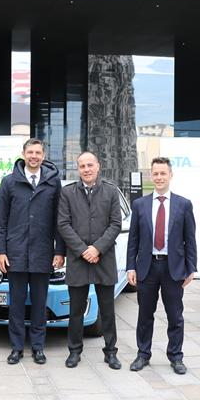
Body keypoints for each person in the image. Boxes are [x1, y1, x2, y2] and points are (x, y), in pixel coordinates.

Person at [0, 139, 65, 365]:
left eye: (38, 153)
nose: (34, 156)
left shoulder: (53, 183)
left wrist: (59, 251)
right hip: (15, 254)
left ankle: (38, 347)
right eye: (30, 152)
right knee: (16, 304)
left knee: (39, 304)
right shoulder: (9, 182)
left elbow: (59, 220)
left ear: (43, 156)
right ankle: (16, 348)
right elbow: (1, 220)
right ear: (23, 154)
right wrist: (0, 251)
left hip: (42, 253)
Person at [126, 156, 197, 375]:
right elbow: (133, 239)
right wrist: (130, 267)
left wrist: (191, 268)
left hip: (172, 269)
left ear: (170, 175)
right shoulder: (140, 204)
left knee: (175, 316)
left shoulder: (183, 204)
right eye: (155, 173)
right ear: (151, 176)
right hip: (147, 268)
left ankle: (176, 357)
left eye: (163, 173)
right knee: (144, 315)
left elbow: (190, 239)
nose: (159, 177)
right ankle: (143, 354)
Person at [57, 152, 123, 370]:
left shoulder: (111, 191)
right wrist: (83, 250)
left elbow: (115, 224)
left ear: (98, 166)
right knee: (76, 310)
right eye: (82, 166)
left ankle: (111, 352)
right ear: (78, 169)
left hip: (104, 258)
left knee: (107, 310)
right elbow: (63, 224)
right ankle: (74, 351)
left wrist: (97, 248)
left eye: (90, 165)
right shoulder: (67, 193)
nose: (86, 169)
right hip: (78, 259)